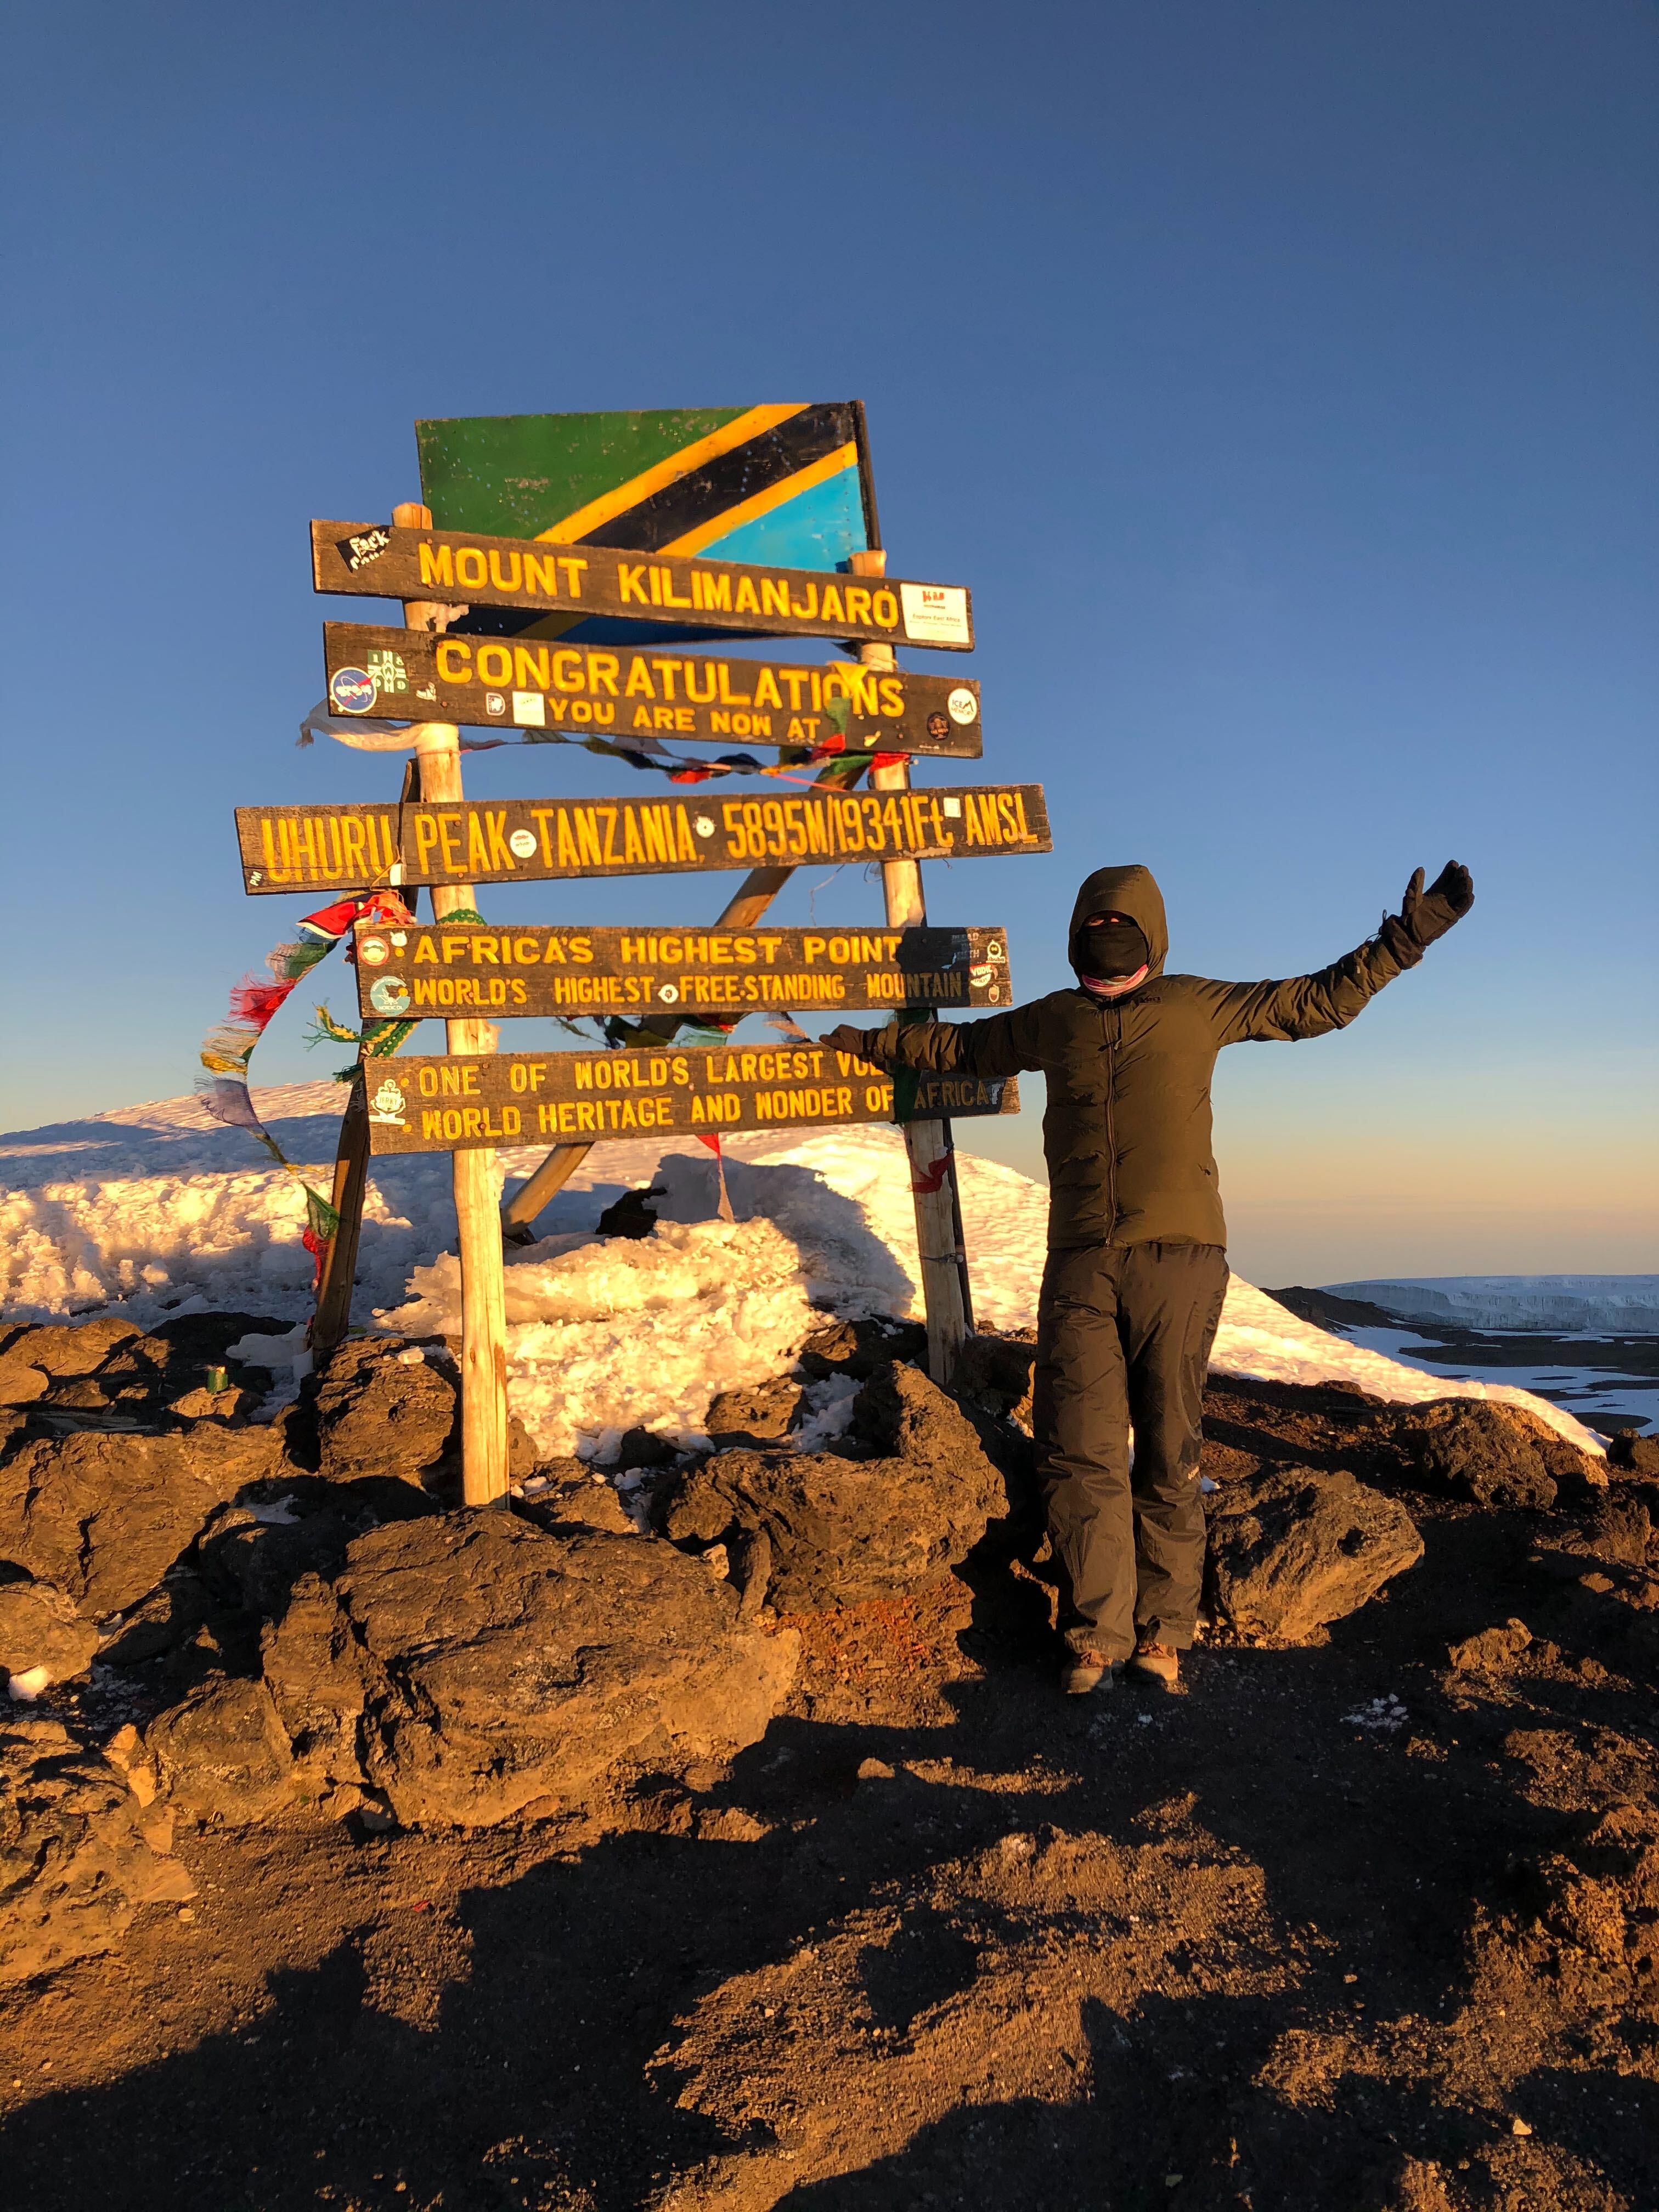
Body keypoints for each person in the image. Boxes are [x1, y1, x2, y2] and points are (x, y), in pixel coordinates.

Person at [826, 859, 1474, 1696]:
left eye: (1119, 932)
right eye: (1095, 933)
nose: (1108, 948)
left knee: (1169, 1451)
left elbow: (1319, 1003)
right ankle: (1098, 1633)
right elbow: (961, 1044)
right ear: (1075, 943)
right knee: (1080, 1449)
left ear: (1152, 940)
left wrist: (1406, 938)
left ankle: (1164, 1634)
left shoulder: (1197, 1004)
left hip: (1181, 1259)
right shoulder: (1058, 1020)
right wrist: (869, 1045)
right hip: (1081, 1261)